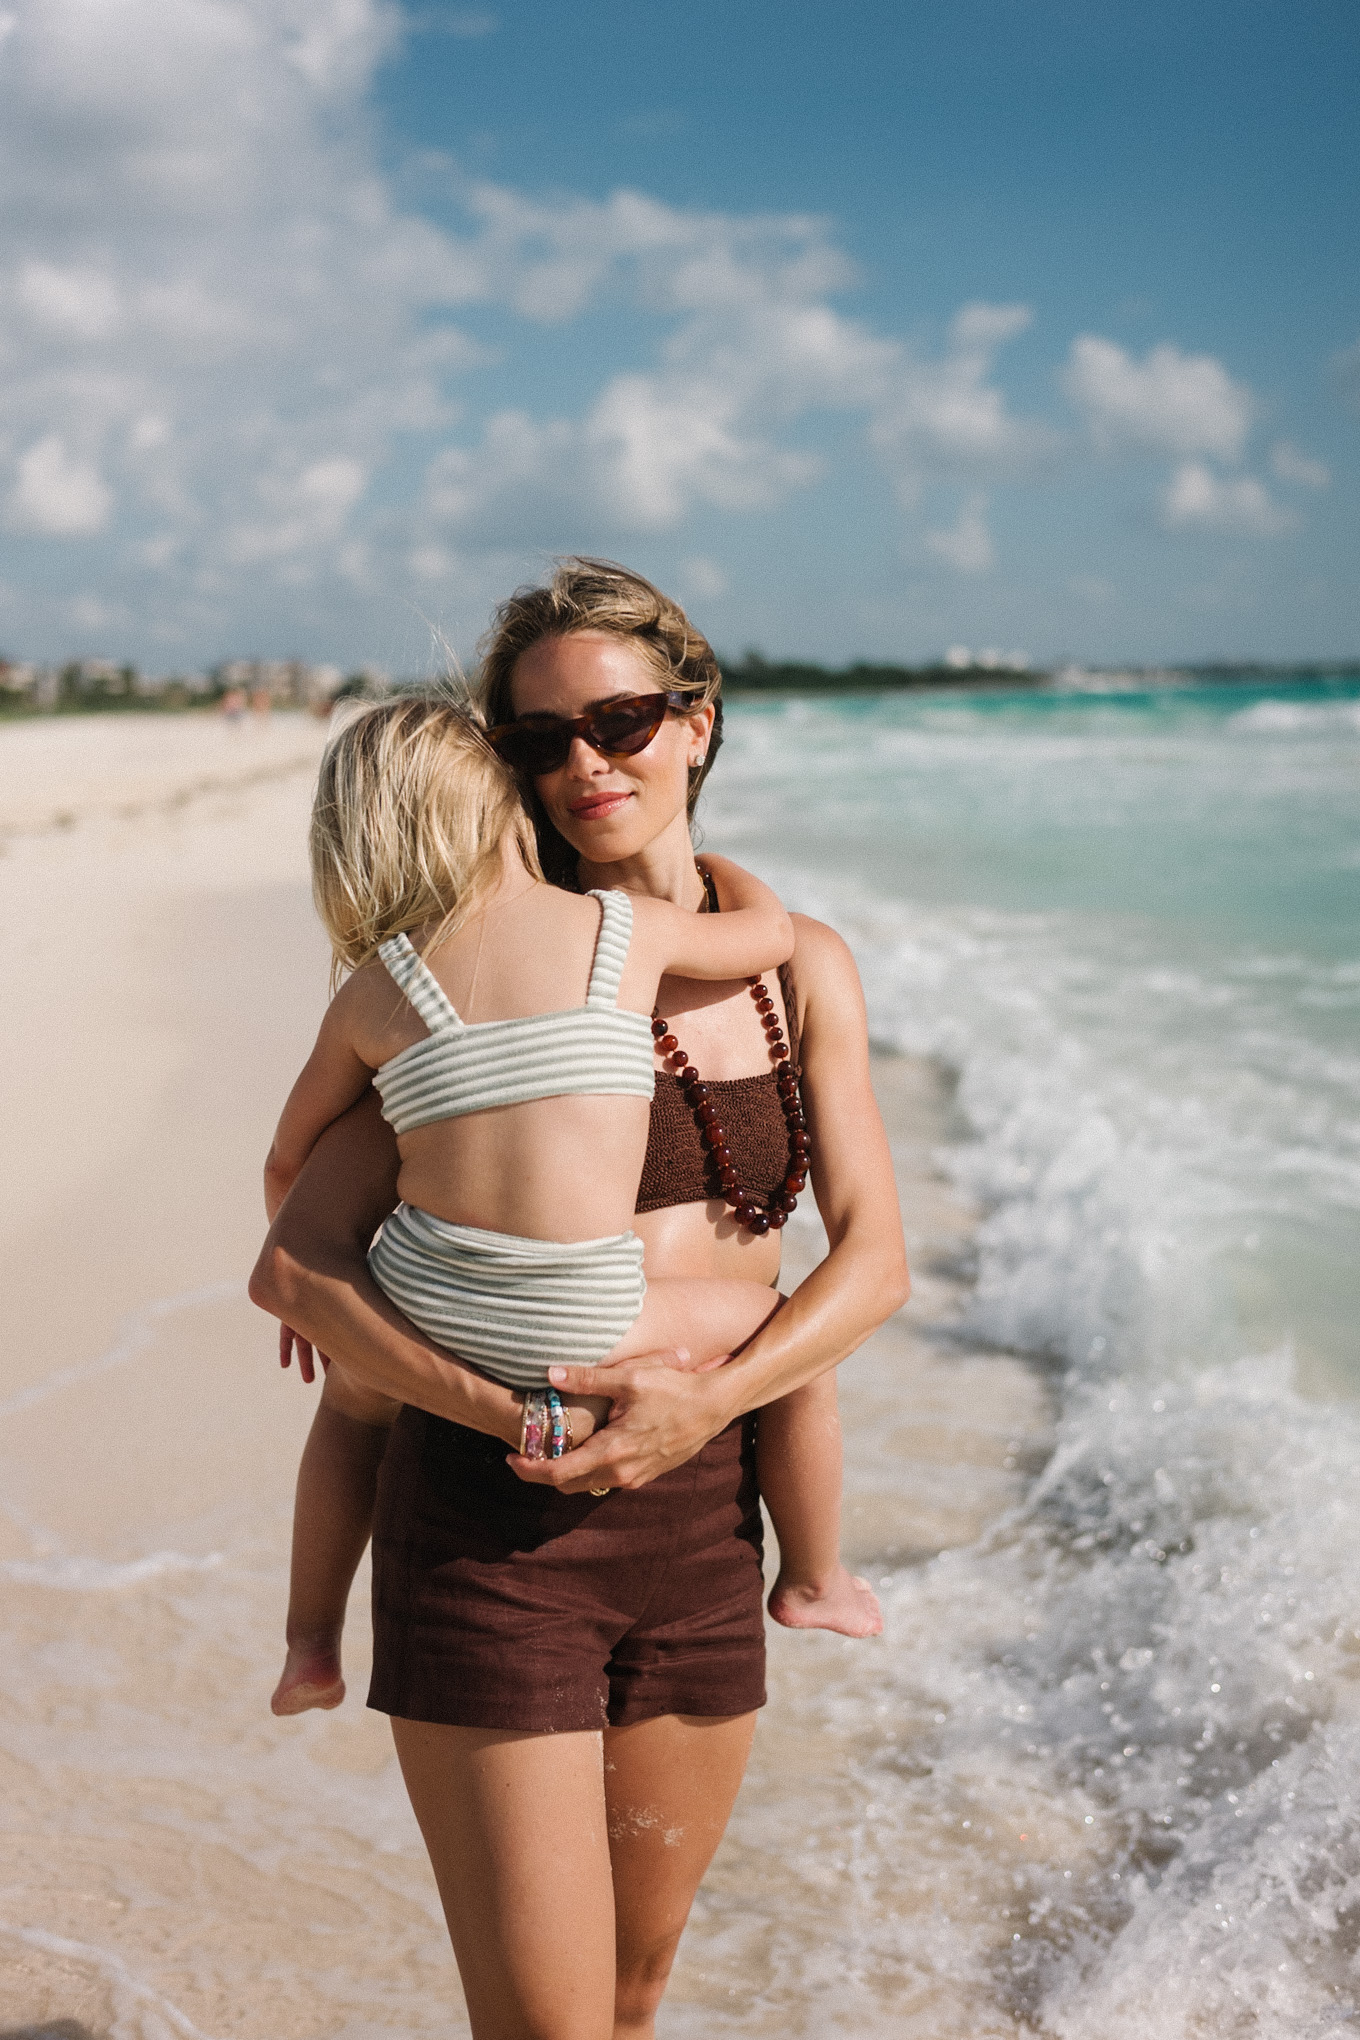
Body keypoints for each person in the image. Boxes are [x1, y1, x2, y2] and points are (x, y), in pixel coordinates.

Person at [250, 559, 909, 2040]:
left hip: (703, 1525)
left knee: (629, 1994)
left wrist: (706, 1409)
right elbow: (301, 1255)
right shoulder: (481, 986)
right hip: (492, 1525)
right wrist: (483, 1399)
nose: (584, 763)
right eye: (537, 740)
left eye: (617, 719)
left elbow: (873, 1263)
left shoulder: (796, 973)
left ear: (697, 720)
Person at [264, 692, 796, 1714]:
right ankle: (813, 1572)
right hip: (583, 1326)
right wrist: (730, 881)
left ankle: (309, 1644)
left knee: (351, 1401)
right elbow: (765, 936)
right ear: (510, 808)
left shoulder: (377, 991)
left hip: (430, 1309)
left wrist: (316, 1301)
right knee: (784, 1328)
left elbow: (289, 1159)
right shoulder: (616, 930)